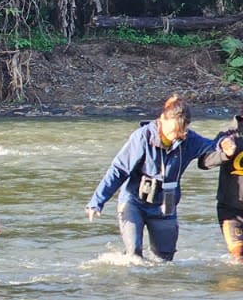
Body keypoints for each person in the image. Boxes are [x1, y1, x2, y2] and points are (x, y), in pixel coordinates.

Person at [87, 95, 214, 261]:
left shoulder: (190, 140)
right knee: (134, 256)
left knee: (164, 260)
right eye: (172, 131)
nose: (175, 136)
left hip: (165, 205)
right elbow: (119, 170)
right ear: (162, 119)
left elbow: (215, 146)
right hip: (134, 202)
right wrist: (97, 201)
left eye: (180, 133)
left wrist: (227, 143)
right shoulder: (142, 137)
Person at [199, 109, 243, 260]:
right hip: (232, 212)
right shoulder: (228, 135)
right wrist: (224, 154)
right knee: (239, 258)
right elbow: (204, 161)